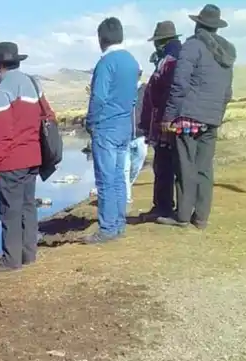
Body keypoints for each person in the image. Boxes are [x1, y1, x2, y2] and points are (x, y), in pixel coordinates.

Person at [158, 4, 235, 230]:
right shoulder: (227, 52)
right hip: (211, 118)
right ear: (216, 27)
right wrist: (217, 115)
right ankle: (201, 217)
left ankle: (182, 216)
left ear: (198, 24)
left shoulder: (192, 46)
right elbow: (227, 92)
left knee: (185, 165)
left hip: (188, 116)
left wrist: (168, 116)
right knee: (204, 167)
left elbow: (180, 84)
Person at [0, 42, 55, 271]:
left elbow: (2, 135)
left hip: (10, 162)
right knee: (27, 207)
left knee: (9, 211)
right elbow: (49, 116)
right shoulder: (33, 84)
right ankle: (28, 255)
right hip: (33, 159)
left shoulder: (2, 92)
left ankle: (11, 261)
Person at [82, 17, 140, 244]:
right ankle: (118, 224)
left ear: (101, 39)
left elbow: (98, 96)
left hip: (106, 126)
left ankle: (107, 228)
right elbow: (134, 97)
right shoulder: (132, 61)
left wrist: (91, 122)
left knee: (105, 179)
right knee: (118, 177)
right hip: (124, 126)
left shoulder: (106, 63)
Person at [139, 21, 183, 220]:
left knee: (165, 165)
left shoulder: (170, 59)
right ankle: (165, 206)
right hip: (168, 118)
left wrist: (163, 117)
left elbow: (163, 91)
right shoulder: (171, 57)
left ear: (161, 41)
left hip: (166, 120)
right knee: (166, 165)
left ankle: (164, 207)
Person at [126, 69, 147, 204]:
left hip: (141, 135)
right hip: (124, 136)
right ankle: (125, 197)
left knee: (136, 167)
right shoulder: (122, 90)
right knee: (124, 168)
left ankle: (124, 187)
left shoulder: (147, 90)